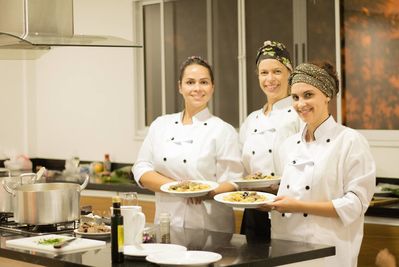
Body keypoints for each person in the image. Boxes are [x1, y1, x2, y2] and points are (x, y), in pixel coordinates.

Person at [262, 62, 376, 267]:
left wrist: (300, 206)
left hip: (330, 249)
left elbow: (355, 204)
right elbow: (284, 191)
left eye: (308, 95)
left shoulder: (350, 141)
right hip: (286, 247)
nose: (300, 103)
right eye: (295, 97)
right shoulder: (287, 145)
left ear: (327, 95)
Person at [133, 56, 243, 233]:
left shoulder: (223, 130)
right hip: (166, 222)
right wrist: (177, 188)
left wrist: (205, 193)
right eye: (190, 82)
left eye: (204, 82)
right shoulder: (161, 125)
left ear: (212, 87)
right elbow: (141, 168)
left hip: (210, 225)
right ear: (180, 87)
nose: (197, 88)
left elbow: (234, 181)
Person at [239, 40, 301, 239]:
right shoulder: (251, 119)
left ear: (290, 73)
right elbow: (241, 166)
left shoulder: (300, 114)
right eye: (264, 72)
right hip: (253, 204)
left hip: (289, 205)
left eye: (277, 71)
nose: (270, 79)